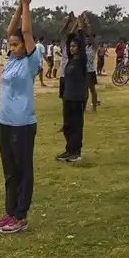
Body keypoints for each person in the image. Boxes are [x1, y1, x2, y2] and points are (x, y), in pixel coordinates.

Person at [0, 0, 42, 234]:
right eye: (10, 45)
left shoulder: (32, 60)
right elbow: (12, 31)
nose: (11, 47)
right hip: (5, 121)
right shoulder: (12, 61)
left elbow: (25, 31)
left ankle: (20, 216)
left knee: (22, 169)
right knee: (9, 170)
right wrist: (18, 8)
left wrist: (27, 5)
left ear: (26, 46)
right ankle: (9, 212)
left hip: (22, 123)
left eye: (16, 45)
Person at [56, 13, 89, 163]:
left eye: (74, 46)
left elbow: (81, 43)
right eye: (71, 46)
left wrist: (81, 29)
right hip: (68, 97)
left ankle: (76, 152)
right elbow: (68, 37)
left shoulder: (81, 60)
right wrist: (73, 25)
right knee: (67, 126)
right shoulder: (70, 61)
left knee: (76, 126)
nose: (71, 48)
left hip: (77, 98)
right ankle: (69, 150)